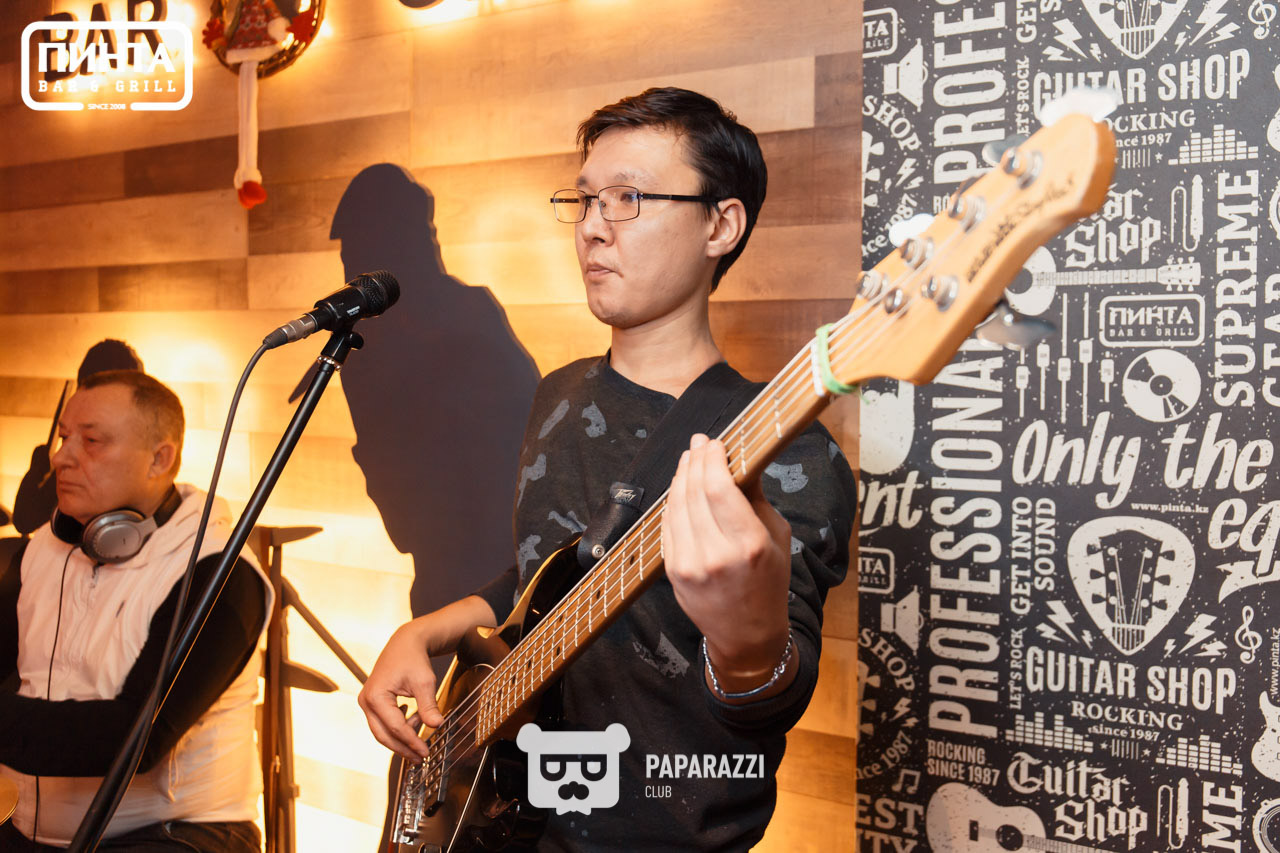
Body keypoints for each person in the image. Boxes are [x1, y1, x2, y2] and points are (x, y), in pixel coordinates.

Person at [358, 87, 857, 851]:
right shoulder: (556, 394)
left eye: (628, 198)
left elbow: (769, 700)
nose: (592, 226)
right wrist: (429, 627)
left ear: (720, 225)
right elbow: (544, 575)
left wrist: (749, 645)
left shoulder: (787, 451)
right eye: (587, 198)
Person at [0, 371, 272, 852]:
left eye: (91, 441)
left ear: (159, 459)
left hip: (179, 833)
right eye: (64, 437)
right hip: (34, 830)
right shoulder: (42, 549)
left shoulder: (217, 572)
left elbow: (134, 737)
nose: (61, 457)